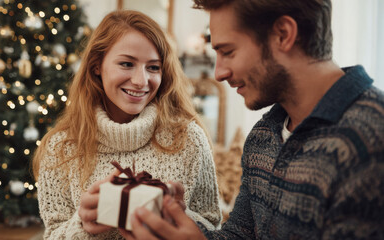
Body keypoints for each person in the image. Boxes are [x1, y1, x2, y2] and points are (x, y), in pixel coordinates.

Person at [120, 0, 384, 239]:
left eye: (228, 51)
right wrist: (178, 223)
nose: (219, 73)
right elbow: (239, 235)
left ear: (283, 34)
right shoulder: (263, 135)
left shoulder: (370, 140)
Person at [32, 10, 222, 239]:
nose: (141, 81)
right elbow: (53, 235)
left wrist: (181, 217)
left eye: (153, 67)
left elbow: (213, 229)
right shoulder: (61, 147)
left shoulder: (188, 138)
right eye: (126, 64)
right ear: (96, 66)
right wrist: (82, 225)